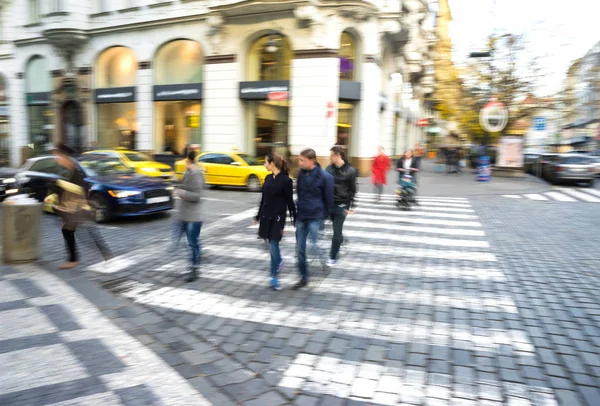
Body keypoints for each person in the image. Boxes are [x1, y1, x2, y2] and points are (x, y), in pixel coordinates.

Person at [53, 144, 112, 269]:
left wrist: (60, 186)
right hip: (73, 207)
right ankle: (103, 253)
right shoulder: (67, 169)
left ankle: (76, 259)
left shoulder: (75, 170)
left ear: (64, 156)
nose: (56, 159)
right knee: (72, 231)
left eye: (57, 155)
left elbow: (79, 189)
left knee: (82, 231)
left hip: (79, 207)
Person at [253, 153, 296, 290]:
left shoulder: (286, 181)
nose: (264, 165)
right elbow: (263, 199)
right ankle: (274, 276)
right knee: (271, 248)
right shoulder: (267, 178)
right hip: (266, 216)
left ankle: (278, 265)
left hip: (278, 218)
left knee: (273, 246)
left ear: (272, 164)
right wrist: (258, 216)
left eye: (266, 162)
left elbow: (289, 202)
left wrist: (294, 217)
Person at [294, 148, 334, 290]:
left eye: (302, 160)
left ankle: (323, 257)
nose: (300, 163)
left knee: (314, 246)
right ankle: (303, 277)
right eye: (299, 160)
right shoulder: (301, 174)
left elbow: (329, 199)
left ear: (312, 160)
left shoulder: (325, 177)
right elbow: (298, 192)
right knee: (299, 248)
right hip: (302, 216)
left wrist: (324, 216)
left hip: (316, 216)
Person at [173, 150, 205, 282]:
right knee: (191, 243)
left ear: (187, 160)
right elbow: (186, 186)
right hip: (186, 215)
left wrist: (181, 193)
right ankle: (195, 262)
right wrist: (176, 183)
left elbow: (197, 195)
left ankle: (195, 269)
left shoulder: (196, 173)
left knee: (192, 243)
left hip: (194, 216)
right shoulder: (189, 171)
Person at [325, 146, 357, 267]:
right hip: (329, 204)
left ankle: (333, 256)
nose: (329, 158)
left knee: (336, 231)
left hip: (342, 205)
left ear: (338, 156)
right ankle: (342, 241)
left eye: (331, 155)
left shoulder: (350, 171)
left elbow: (353, 190)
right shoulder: (328, 169)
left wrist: (351, 205)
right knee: (323, 226)